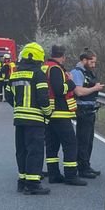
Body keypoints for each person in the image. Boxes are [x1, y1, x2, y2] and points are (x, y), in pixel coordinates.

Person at [8, 42, 51, 195]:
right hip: (35, 120)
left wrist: (19, 107)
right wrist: (48, 112)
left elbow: (8, 95)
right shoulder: (38, 74)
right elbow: (43, 98)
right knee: (35, 151)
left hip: (19, 119)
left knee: (21, 151)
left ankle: (22, 182)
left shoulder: (15, 73)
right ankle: (32, 185)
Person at [42, 45, 86, 185]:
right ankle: (71, 176)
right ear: (63, 56)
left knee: (52, 145)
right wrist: (70, 83)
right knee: (70, 144)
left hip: (49, 112)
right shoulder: (55, 69)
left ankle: (54, 174)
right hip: (60, 112)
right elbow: (59, 89)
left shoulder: (45, 67)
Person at [70, 49, 105, 178]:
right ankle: (82, 168)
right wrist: (95, 88)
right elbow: (78, 91)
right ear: (83, 60)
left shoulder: (87, 73)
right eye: (91, 62)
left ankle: (86, 165)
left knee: (89, 141)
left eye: (94, 62)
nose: (93, 65)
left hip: (90, 110)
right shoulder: (77, 73)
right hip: (82, 111)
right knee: (83, 141)